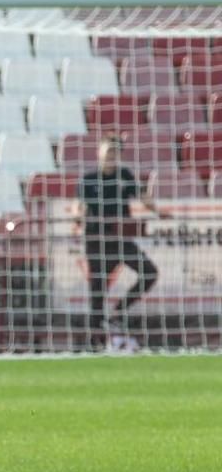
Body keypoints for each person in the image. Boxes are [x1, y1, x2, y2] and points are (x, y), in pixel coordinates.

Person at [80, 134, 162, 345]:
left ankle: (118, 311)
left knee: (149, 272)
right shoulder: (88, 179)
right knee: (97, 290)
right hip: (97, 241)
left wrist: (159, 212)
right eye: (108, 151)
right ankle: (95, 340)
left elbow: (142, 197)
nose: (111, 156)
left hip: (120, 240)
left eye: (115, 152)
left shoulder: (124, 175)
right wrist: (77, 218)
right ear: (99, 153)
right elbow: (79, 206)